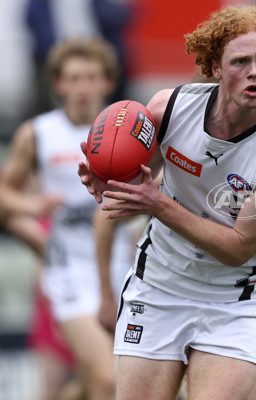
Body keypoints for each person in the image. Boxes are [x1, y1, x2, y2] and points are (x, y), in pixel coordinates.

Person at [77, 5, 256, 400]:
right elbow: (129, 188)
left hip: (237, 300)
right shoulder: (168, 110)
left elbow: (238, 248)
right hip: (159, 286)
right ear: (216, 68)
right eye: (240, 61)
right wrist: (105, 183)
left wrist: (157, 205)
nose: (254, 71)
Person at [0, 37, 134, 400]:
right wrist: (31, 207)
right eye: (73, 79)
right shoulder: (38, 133)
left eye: (91, 77)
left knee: (108, 381)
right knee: (109, 381)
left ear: (107, 81)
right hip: (67, 274)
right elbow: (5, 193)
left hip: (122, 268)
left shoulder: (128, 131)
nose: (82, 88)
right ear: (58, 83)